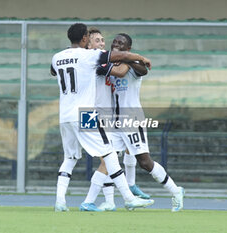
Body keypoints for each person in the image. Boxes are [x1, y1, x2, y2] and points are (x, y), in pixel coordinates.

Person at [50, 23, 154, 212]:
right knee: (109, 153)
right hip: (85, 112)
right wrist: (141, 57)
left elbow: (52, 72)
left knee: (70, 158)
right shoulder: (89, 56)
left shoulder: (57, 57)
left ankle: (60, 202)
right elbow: (121, 57)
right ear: (84, 40)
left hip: (64, 114)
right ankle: (129, 198)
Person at [82, 33, 185, 212]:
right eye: (114, 41)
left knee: (145, 162)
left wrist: (130, 60)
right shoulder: (111, 64)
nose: (116, 44)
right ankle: (102, 201)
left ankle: (176, 191)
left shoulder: (132, 66)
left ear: (128, 49)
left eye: (121, 43)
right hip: (114, 121)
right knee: (108, 159)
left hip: (131, 118)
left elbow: (143, 70)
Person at [79, 28, 150, 212]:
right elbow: (120, 72)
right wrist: (133, 57)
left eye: (103, 40)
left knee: (105, 158)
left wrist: (127, 57)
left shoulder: (96, 58)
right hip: (93, 113)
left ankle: (107, 201)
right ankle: (127, 197)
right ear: (87, 44)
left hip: (100, 113)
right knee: (108, 157)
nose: (102, 44)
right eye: (97, 40)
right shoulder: (94, 59)